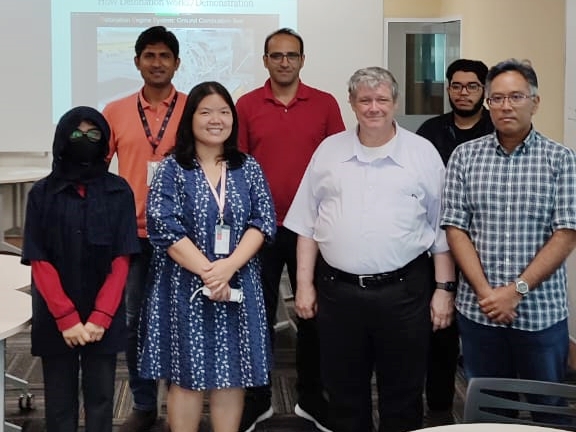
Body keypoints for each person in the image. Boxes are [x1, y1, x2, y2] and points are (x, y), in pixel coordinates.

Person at [283, 66, 456, 432]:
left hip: (405, 292)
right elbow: (306, 226)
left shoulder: (422, 153)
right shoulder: (329, 151)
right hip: (338, 293)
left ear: (395, 103)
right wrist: (304, 285)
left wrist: (443, 290)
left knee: (404, 391)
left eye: (381, 99)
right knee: (343, 390)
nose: (373, 107)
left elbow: (442, 229)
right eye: (365, 100)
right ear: (351, 103)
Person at [441, 59, 576, 421]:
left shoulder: (561, 160)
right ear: (488, 103)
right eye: (497, 97)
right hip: (479, 311)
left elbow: (566, 234)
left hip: (540, 314)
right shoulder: (465, 157)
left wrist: (514, 291)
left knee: (548, 409)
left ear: (535, 101)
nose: (505, 105)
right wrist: (488, 294)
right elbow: (455, 228)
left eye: (516, 96)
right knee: (488, 409)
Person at [138, 81, 276, 432]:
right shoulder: (171, 168)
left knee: (233, 372)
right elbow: (162, 226)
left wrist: (228, 267)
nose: (216, 119)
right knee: (186, 374)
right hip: (183, 285)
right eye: (206, 112)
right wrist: (208, 272)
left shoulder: (249, 168)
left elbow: (264, 221)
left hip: (237, 283)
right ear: (190, 119)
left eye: (224, 112)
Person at [235, 27, 345, 432]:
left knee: (313, 315)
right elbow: (239, 169)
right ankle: (258, 397)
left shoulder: (325, 104)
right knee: (255, 316)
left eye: (292, 55)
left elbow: (338, 163)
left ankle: (311, 398)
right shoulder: (246, 105)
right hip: (259, 231)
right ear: (265, 60)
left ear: (302, 59)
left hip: (313, 231)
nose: (284, 62)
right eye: (276, 55)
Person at [21, 106, 140, 432]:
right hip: (55, 316)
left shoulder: (119, 192)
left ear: (105, 142)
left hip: (105, 316)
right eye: (77, 134)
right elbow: (38, 260)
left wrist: (100, 318)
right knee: (59, 404)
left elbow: (122, 258)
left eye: (93, 134)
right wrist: (67, 318)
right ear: (62, 139)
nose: (84, 140)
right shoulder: (42, 194)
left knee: (101, 400)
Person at [102, 25, 187, 432]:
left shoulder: (194, 108)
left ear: (177, 63)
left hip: (183, 236)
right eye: (149, 55)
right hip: (133, 235)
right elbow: (98, 173)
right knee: (135, 321)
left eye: (164, 56)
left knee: (180, 317)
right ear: (137, 62)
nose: (157, 63)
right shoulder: (115, 111)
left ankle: (180, 403)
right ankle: (142, 402)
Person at [416, 59, 494, 423]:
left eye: (472, 86)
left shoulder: (497, 130)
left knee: (484, 333)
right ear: (448, 89)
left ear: (484, 90)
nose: (464, 93)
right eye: (457, 86)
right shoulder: (430, 131)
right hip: (437, 246)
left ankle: (492, 413)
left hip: (487, 246)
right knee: (439, 330)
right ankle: (440, 409)